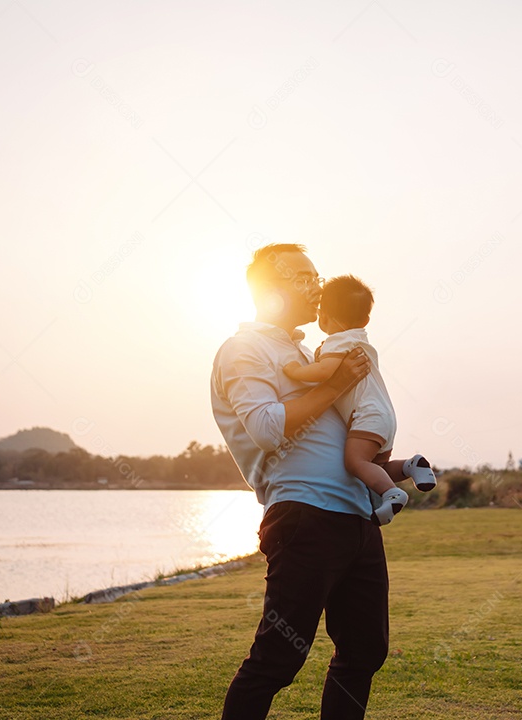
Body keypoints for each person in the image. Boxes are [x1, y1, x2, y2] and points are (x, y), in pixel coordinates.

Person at [211, 243, 387, 720]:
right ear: (270, 290)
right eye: (304, 278)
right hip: (304, 517)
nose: (317, 286)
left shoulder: (307, 350)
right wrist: (335, 385)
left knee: (365, 652)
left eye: (317, 276)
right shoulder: (244, 349)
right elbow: (267, 428)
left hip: (357, 518)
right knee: (278, 660)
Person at [282, 274, 437, 525]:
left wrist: (294, 370)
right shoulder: (359, 339)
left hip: (366, 415)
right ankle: (411, 465)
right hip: (383, 414)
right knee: (374, 467)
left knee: (355, 462)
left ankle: (392, 494)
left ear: (323, 317)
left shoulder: (338, 342)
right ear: (365, 319)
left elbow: (323, 372)